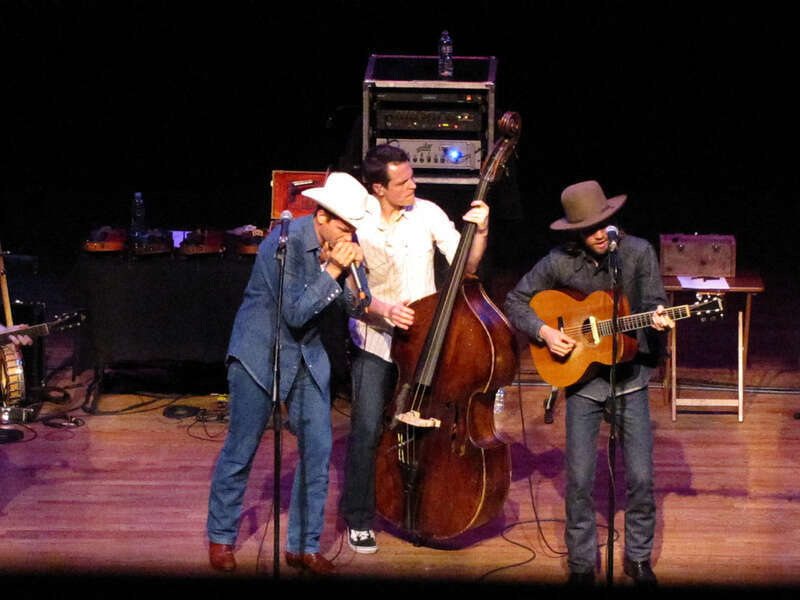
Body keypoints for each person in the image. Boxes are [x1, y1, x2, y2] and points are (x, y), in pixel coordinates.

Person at [503, 180, 674, 588]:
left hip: (630, 380)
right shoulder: (559, 262)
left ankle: (637, 557)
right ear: (575, 232)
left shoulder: (637, 253)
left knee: (641, 477)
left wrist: (660, 320)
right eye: (589, 228)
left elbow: (653, 303)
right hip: (580, 381)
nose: (599, 233)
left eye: (605, 224)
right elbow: (516, 301)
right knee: (578, 478)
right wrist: (545, 332)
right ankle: (581, 563)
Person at [206, 172, 371, 575]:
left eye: (354, 228)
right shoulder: (283, 244)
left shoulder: (341, 244)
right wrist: (331, 270)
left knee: (318, 450)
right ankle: (222, 537)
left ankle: (303, 545)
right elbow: (295, 312)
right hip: (259, 352)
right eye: (345, 226)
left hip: (307, 357)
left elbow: (354, 305)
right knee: (241, 449)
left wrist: (351, 276)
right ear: (322, 217)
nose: (350, 235)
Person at [340, 144, 490, 553]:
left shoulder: (428, 213)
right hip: (374, 339)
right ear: (378, 188)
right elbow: (349, 288)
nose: (413, 184)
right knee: (370, 427)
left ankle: (423, 506)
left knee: (427, 427)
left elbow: (467, 266)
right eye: (403, 181)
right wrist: (381, 309)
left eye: (411, 177)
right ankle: (358, 516)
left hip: (424, 342)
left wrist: (482, 232)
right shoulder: (358, 221)